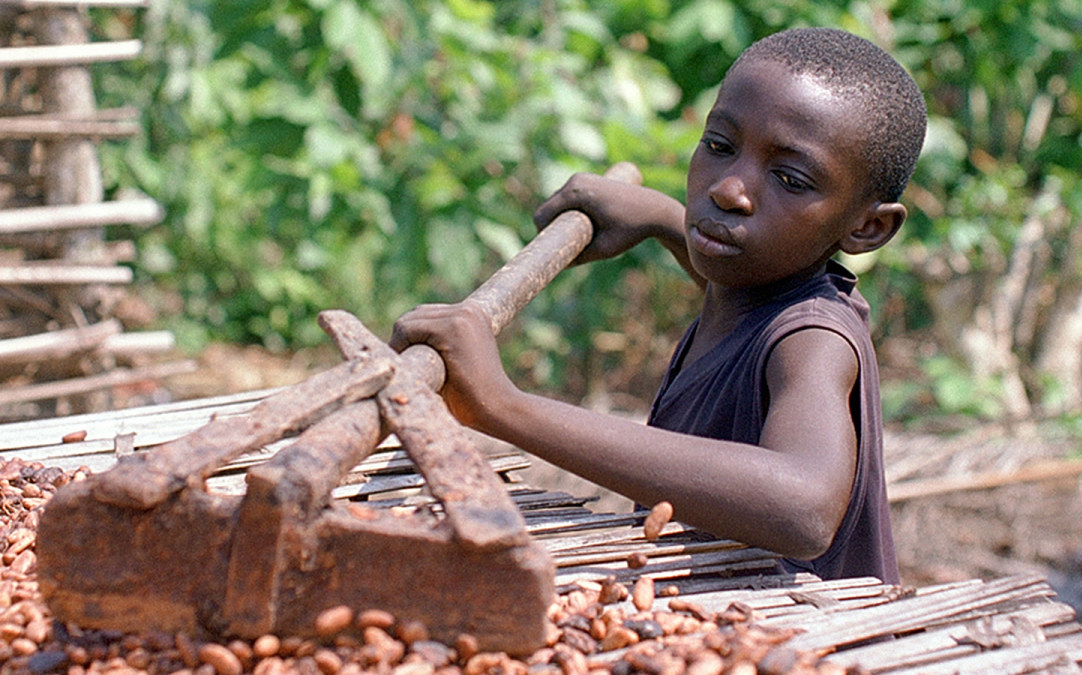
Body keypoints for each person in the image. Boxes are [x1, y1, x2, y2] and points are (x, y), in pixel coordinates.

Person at [389, 27, 927, 583]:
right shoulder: (751, 289)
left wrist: (502, 406)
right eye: (719, 146)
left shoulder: (813, 341)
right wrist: (659, 217)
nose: (729, 190)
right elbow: (740, 295)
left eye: (790, 179)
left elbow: (803, 508)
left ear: (868, 227)